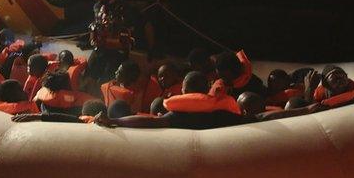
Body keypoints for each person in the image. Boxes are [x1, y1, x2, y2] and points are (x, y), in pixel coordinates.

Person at [95, 71, 249, 130]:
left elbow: (149, 122)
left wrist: (115, 121)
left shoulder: (178, 116)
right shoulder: (225, 113)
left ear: (184, 92)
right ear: (206, 89)